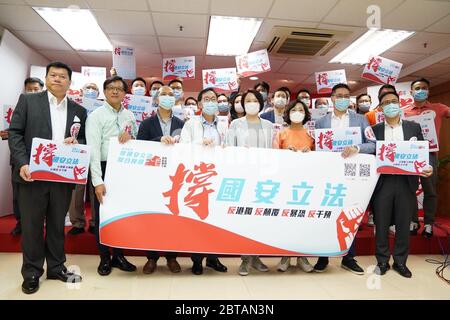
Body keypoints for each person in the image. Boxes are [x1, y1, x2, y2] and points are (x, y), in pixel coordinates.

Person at [8, 61, 86, 294]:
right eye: (53, 75)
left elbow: (82, 140)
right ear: (47, 77)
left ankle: (56, 267)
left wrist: (77, 143)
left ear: (69, 83)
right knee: (32, 226)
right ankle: (32, 272)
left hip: (61, 177)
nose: (58, 79)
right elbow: (15, 133)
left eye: (63, 76)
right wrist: (22, 163)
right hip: (32, 175)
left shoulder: (78, 111)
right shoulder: (29, 101)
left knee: (56, 224)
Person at [314, 83, 375, 275]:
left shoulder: (361, 119)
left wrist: (357, 148)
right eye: (338, 95)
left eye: (346, 96)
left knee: (351, 214)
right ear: (332, 98)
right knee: (326, 214)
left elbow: (373, 144)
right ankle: (323, 257)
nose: (342, 99)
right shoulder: (321, 122)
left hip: (352, 175)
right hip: (329, 175)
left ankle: (349, 258)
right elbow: (317, 147)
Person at [372, 91, 433, 278]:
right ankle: (382, 261)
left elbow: (422, 150)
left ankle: (400, 261)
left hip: (407, 181)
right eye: (386, 102)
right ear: (381, 108)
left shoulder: (413, 127)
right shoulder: (374, 130)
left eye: (394, 101)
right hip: (383, 181)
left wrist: (427, 165)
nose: (391, 105)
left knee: (403, 222)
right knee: (381, 223)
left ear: (399, 104)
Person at [86, 76, 138, 276]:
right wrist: (97, 181)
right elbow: (93, 151)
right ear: (105, 92)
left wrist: (131, 138)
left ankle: (119, 255)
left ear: (125, 93)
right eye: (111, 88)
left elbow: (135, 140)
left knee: (120, 215)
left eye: (119, 88)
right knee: (102, 216)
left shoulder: (130, 116)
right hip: (104, 167)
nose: (115, 91)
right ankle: (104, 258)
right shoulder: (96, 116)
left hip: (124, 170)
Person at [179, 88, 228, 275]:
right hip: (197, 176)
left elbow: (228, 146)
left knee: (216, 220)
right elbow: (183, 147)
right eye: (206, 99)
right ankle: (197, 260)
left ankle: (213, 258)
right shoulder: (190, 123)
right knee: (198, 219)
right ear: (199, 104)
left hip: (218, 175)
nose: (210, 102)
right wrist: (200, 144)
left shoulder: (223, 124)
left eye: (213, 99)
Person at [137, 86, 184, 274]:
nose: (167, 97)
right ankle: (152, 257)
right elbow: (140, 147)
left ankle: (172, 257)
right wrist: (159, 140)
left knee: (174, 218)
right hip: (153, 176)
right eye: (163, 94)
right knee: (153, 218)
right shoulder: (146, 123)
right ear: (156, 99)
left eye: (171, 95)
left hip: (175, 177)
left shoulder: (182, 123)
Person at [226, 90, 273, 276]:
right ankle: (245, 259)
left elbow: (273, 150)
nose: (252, 103)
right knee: (244, 219)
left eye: (255, 100)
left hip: (263, 178)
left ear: (261, 103)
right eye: (248, 100)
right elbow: (229, 149)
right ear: (242, 104)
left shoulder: (269, 125)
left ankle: (256, 256)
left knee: (260, 218)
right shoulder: (236, 124)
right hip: (242, 177)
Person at [403, 78, 450, 237]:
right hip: (410, 154)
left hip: (430, 154)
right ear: (411, 92)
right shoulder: (405, 111)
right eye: (417, 88)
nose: (421, 90)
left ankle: (429, 224)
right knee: (410, 189)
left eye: (424, 88)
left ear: (428, 91)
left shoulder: (438, 108)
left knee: (430, 190)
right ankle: (413, 221)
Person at [273, 99, 315, 273]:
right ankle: (285, 257)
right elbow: (273, 157)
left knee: (304, 221)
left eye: (301, 110)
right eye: (294, 110)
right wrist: (285, 153)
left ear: (305, 114)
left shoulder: (311, 134)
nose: (297, 112)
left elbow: (322, 157)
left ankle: (302, 257)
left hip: (307, 184)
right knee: (286, 220)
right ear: (288, 113)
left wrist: (310, 153)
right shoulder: (281, 134)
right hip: (286, 184)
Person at [5, 77, 45, 237]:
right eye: (29, 89)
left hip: (41, 160)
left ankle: (38, 223)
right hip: (20, 159)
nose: (33, 92)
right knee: (18, 194)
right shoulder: (22, 105)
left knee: (39, 195)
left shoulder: (47, 110)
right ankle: (20, 222)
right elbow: (14, 132)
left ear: (42, 89)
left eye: (36, 89)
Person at [67, 83, 100, 235]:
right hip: (77, 149)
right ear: (81, 91)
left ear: (99, 92)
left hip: (97, 150)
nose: (91, 91)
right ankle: (77, 222)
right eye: (88, 88)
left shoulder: (102, 108)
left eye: (94, 88)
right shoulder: (74, 107)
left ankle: (95, 221)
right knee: (76, 188)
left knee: (95, 186)